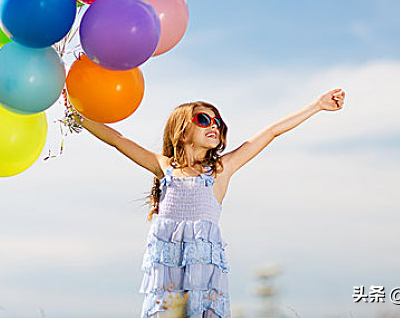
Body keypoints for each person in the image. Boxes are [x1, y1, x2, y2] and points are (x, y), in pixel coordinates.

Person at [78, 88, 345, 317]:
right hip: (167, 276)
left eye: (217, 121)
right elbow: (117, 139)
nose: (214, 125)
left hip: (203, 278)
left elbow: (272, 131)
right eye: (203, 119)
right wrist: (77, 115)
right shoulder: (164, 168)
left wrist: (317, 106)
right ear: (182, 132)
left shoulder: (220, 170)